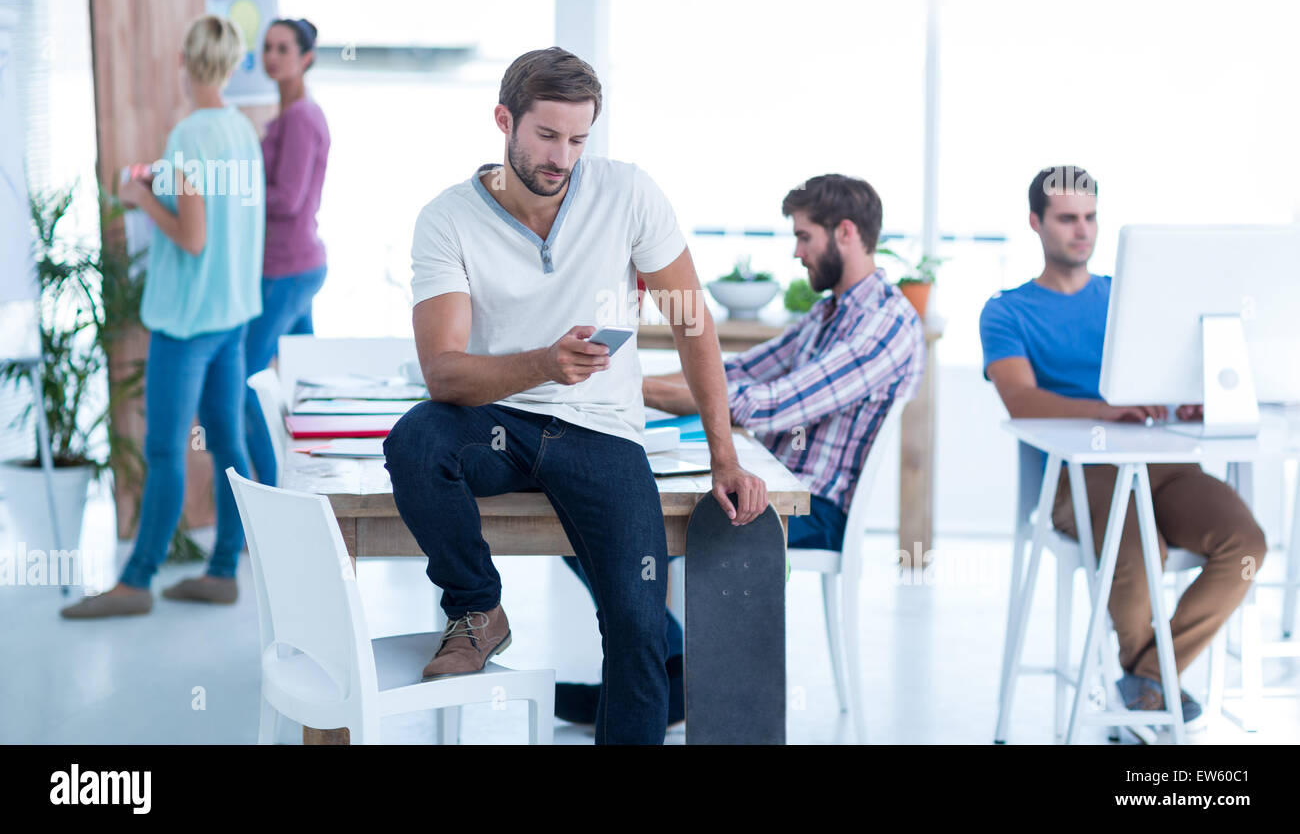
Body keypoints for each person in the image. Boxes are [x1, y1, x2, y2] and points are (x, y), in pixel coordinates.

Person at [381, 46, 768, 745]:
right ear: (505, 121)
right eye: (547, 136)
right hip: (495, 422)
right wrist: (542, 364)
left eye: (579, 139)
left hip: (602, 434)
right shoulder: (447, 220)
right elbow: (443, 373)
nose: (563, 157)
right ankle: (477, 609)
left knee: (639, 621)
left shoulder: (628, 193)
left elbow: (692, 325)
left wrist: (725, 457)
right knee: (415, 440)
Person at [555, 173, 928, 725]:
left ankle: (655, 677)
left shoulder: (884, 325)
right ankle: (666, 668)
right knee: (580, 510)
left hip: (810, 511)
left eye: (805, 237)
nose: (798, 253)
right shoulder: (832, 313)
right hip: (770, 484)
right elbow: (734, 373)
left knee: (600, 520)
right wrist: (623, 374)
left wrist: (629, 388)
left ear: (845, 232)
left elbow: (772, 403)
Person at [979, 165, 1267, 728]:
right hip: (1076, 472)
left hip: (1160, 460)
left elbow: (1169, 377)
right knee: (1135, 543)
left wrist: (1187, 400)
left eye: (1090, 218)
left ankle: (1147, 680)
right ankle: (1151, 691)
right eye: (1067, 219)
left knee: (1245, 541)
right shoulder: (1006, 309)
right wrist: (1104, 410)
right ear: (1036, 223)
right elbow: (1020, 399)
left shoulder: (1127, 297)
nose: (1082, 230)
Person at [62, 16, 264, 617]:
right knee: (227, 443)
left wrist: (141, 197)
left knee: (163, 452)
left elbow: (194, 237)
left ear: (185, 61)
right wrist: (164, 182)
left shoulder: (187, 137)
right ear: (230, 66)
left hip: (186, 322)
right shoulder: (241, 131)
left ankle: (135, 583)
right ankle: (225, 566)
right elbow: (226, 217)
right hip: (230, 315)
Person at [243, 18, 330, 486]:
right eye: (267, 47)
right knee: (303, 388)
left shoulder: (299, 117)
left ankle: (273, 496)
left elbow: (287, 199)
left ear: (306, 58)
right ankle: (308, 495)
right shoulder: (291, 115)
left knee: (245, 383)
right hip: (296, 266)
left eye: (282, 48)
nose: (272, 56)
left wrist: (233, 192)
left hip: (287, 269)